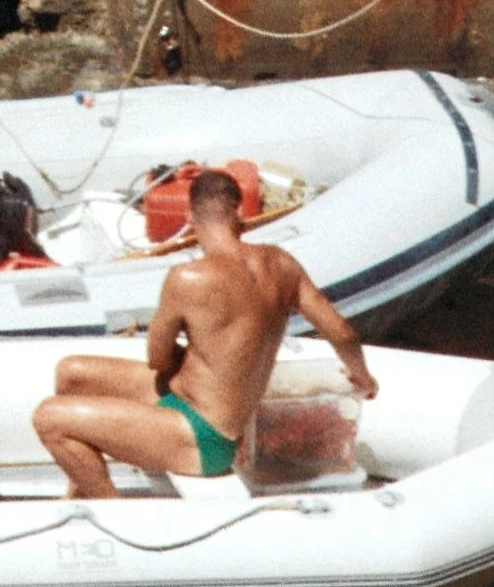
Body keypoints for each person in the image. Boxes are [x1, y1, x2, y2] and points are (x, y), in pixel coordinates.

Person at [31, 168, 376, 494]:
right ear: (239, 213)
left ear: (190, 219)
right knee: (70, 373)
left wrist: (194, 348)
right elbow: (342, 333)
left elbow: (157, 359)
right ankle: (81, 489)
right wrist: (363, 377)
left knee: (49, 418)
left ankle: (113, 512)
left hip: (205, 439)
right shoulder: (282, 264)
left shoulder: (187, 278)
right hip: (191, 403)